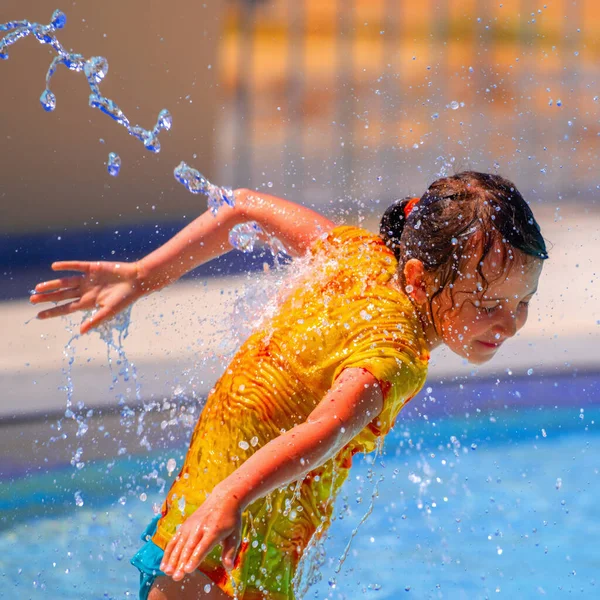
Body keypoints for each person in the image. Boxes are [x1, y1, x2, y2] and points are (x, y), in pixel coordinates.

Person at [31, 171, 548, 599]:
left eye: (522, 303)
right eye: (487, 305)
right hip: (242, 534)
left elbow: (242, 208)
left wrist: (145, 274)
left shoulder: (353, 253)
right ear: (416, 278)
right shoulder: (396, 358)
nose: (509, 324)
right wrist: (232, 500)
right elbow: (327, 426)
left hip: (207, 504)